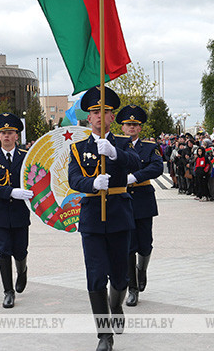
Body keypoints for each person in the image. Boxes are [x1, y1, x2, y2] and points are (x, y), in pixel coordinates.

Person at [68, 86, 141, 351]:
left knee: (120, 277)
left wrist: (113, 153)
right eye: (94, 112)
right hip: (91, 219)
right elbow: (73, 179)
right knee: (96, 277)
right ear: (88, 117)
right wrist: (91, 184)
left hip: (119, 215)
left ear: (112, 117)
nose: (100, 116)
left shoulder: (122, 142)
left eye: (105, 111)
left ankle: (116, 305)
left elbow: (135, 164)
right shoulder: (78, 148)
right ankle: (103, 334)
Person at [0, 112, 32, 309]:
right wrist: (12, 192)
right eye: (3, 133)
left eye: (11, 132)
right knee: (3, 252)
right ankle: (8, 291)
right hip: (1, 213)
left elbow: (35, 179)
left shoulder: (26, 157)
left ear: (17, 136)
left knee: (20, 251)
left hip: (20, 213)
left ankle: (22, 270)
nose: (7, 136)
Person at [116, 105, 163, 308]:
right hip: (122, 200)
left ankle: (141, 270)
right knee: (128, 246)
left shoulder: (149, 147)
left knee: (145, 245)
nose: (131, 128)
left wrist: (135, 176)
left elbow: (157, 166)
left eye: (135, 125)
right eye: (128, 124)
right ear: (122, 127)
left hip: (143, 200)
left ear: (140, 128)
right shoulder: (115, 146)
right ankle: (132, 289)